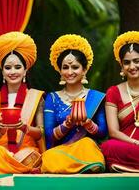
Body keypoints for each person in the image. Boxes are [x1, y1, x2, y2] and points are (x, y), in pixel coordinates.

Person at [0, 32, 45, 174]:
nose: (12, 72)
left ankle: (1, 167)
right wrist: (1, 131)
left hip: (26, 151)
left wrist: (24, 127)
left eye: (17, 67)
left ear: (25, 70)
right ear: (2, 72)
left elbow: (40, 133)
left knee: (28, 157)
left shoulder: (35, 96)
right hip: (0, 151)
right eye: (8, 68)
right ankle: (15, 167)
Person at [41, 34, 108, 173]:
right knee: (49, 157)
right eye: (65, 67)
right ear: (60, 70)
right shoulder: (52, 98)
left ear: (84, 70)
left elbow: (103, 133)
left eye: (75, 67)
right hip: (60, 151)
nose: (70, 72)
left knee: (88, 144)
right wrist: (67, 124)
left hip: (85, 148)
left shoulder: (95, 97)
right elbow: (48, 135)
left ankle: (77, 166)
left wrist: (88, 124)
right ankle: (80, 167)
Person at [101, 31, 139, 172]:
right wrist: (136, 142)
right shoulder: (113, 92)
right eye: (127, 62)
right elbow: (113, 131)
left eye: (137, 61)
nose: (132, 66)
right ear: (122, 67)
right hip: (126, 145)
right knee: (108, 147)